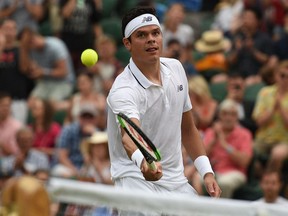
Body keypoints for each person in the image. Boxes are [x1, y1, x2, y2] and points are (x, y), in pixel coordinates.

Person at [106, 7, 221, 205]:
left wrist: (207, 172)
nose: (151, 39)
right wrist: (144, 162)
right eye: (141, 35)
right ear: (127, 43)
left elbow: (188, 129)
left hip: (175, 180)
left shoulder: (176, 69)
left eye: (155, 33)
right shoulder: (123, 90)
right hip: (134, 177)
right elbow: (129, 136)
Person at [197, 99, 253, 198]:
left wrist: (224, 144)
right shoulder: (212, 132)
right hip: (213, 171)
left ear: (237, 117)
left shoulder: (244, 134)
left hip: (234, 172)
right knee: (197, 178)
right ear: (219, 116)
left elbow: (244, 161)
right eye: (225, 114)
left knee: (224, 183)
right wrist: (214, 140)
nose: (228, 117)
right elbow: (201, 155)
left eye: (232, 114)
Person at [19, 27, 75, 109]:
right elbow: (24, 69)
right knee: (30, 103)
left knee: (50, 105)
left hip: (64, 82)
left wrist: (43, 72)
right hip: (45, 82)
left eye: (31, 40)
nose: (31, 44)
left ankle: (72, 104)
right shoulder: (30, 49)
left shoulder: (55, 46)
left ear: (35, 37)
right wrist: (23, 49)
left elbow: (64, 72)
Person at [252, 60, 288, 174]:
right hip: (263, 138)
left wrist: (281, 108)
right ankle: (263, 179)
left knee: (277, 154)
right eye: (282, 75)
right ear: (276, 75)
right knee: (248, 150)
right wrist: (273, 109)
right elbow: (258, 122)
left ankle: (270, 181)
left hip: (284, 140)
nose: (285, 79)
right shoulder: (265, 92)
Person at [52, 103, 100, 178]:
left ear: (95, 119)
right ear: (79, 117)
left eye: (90, 117)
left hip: (87, 168)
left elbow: (100, 158)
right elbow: (62, 157)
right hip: (69, 166)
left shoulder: (97, 133)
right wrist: (76, 172)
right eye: (84, 117)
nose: (87, 120)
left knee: (98, 174)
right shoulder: (68, 130)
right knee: (60, 171)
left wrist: (94, 135)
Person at [0, 19, 34, 123]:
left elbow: (25, 69)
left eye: (13, 29)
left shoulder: (21, 49)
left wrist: (22, 46)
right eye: (7, 29)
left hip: (18, 100)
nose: (9, 32)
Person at [0, 91, 22, 156]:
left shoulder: (17, 126)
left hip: (7, 162)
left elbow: (14, 153)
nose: (6, 108)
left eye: (8, 105)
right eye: (2, 105)